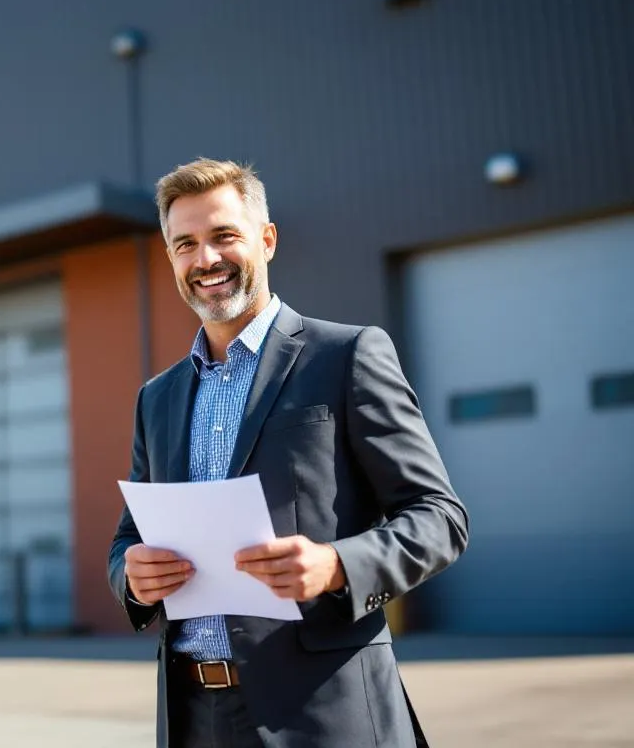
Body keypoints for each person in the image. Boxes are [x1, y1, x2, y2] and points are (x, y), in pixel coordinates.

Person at [107, 157, 469, 747]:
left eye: (224, 236)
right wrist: (131, 575)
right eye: (185, 244)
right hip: (194, 716)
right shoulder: (158, 398)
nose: (206, 260)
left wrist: (337, 565)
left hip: (325, 711)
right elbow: (128, 539)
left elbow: (439, 517)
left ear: (266, 240)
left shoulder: (347, 356)